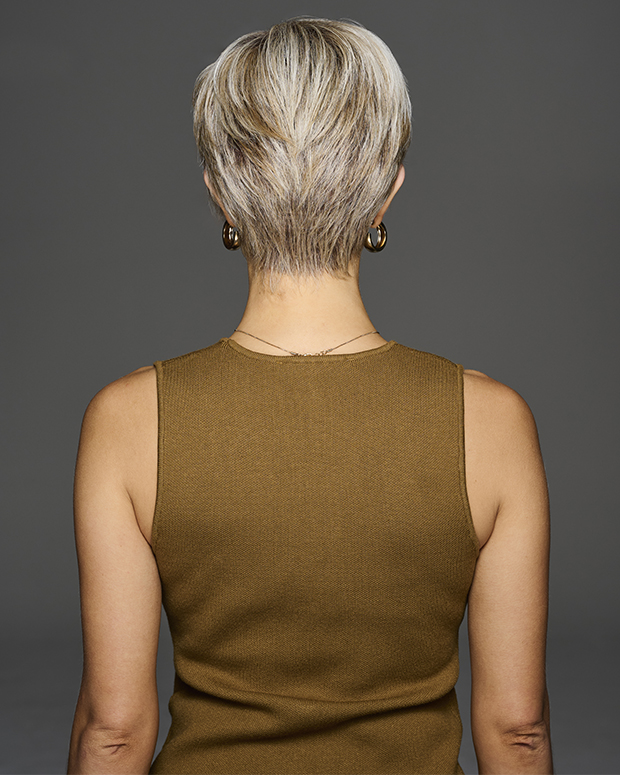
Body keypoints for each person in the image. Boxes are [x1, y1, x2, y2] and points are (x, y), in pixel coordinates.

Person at [67, 17, 552, 775]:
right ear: (386, 192)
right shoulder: (493, 422)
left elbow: (114, 731)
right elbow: (518, 730)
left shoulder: (127, 420)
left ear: (221, 196)